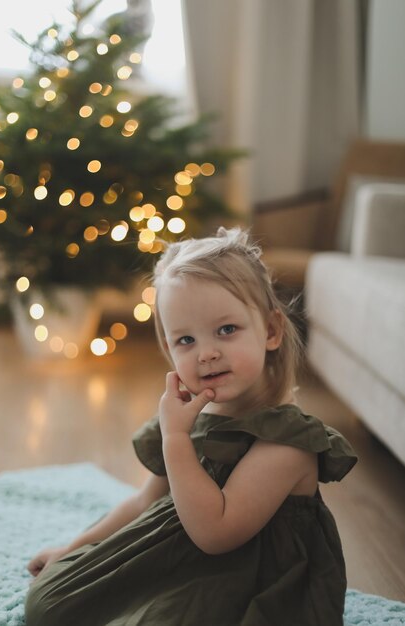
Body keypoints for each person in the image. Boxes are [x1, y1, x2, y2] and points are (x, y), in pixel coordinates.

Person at [25, 227, 357, 626]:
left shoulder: (287, 442)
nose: (207, 353)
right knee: (51, 602)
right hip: (181, 554)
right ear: (168, 347)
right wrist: (72, 547)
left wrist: (177, 440)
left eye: (226, 330)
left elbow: (215, 533)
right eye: (185, 340)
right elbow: (144, 502)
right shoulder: (194, 417)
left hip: (250, 581)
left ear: (270, 331)